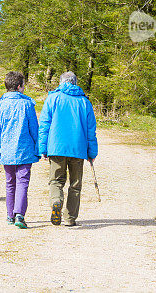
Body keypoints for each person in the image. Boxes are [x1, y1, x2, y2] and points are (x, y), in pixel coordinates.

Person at [38, 71, 98, 227]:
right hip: (78, 149)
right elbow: (91, 130)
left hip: (56, 147)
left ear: (61, 82)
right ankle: (70, 218)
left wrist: (42, 148)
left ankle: (56, 201)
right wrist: (92, 152)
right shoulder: (85, 102)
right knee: (75, 184)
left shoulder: (52, 99)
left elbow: (44, 126)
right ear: (75, 82)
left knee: (56, 181)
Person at [0, 70, 40, 229]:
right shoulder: (27, 104)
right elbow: (34, 129)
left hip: (7, 151)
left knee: (10, 183)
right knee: (22, 183)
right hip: (25, 151)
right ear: (19, 86)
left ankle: (10, 215)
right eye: (23, 85)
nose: (24, 88)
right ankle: (19, 214)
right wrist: (38, 149)